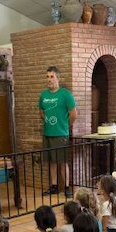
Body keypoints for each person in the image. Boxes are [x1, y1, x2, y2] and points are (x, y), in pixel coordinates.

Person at [39, 66, 76, 197]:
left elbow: (73, 114)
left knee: (62, 162)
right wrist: (47, 121)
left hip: (61, 134)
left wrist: (65, 125)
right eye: (47, 77)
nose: (49, 79)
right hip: (47, 133)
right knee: (52, 162)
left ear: (57, 78)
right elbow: (41, 111)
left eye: (51, 76)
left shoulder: (66, 94)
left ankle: (67, 187)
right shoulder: (43, 95)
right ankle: (54, 186)